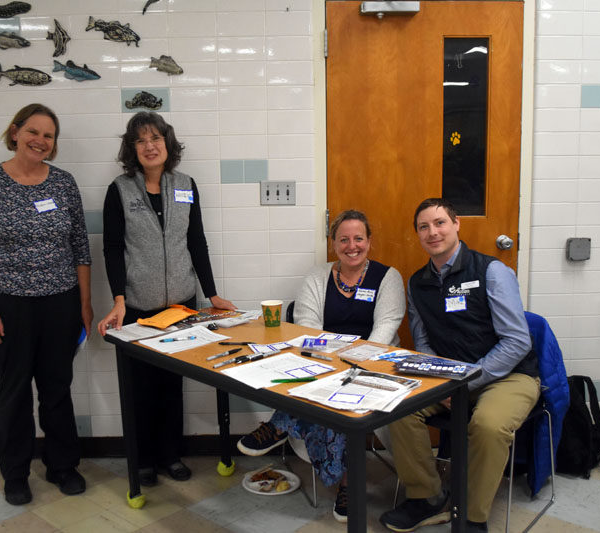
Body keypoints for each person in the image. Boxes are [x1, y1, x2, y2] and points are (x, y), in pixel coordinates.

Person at [379, 198, 540, 533]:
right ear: (418, 235)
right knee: (399, 407)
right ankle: (428, 498)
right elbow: (423, 344)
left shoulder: (491, 271)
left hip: (508, 377)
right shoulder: (417, 283)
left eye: (439, 223)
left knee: (489, 425)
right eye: (423, 227)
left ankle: (471, 515)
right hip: (450, 377)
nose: (432, 232)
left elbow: (517, 341)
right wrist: (442, 382)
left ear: (456, 225)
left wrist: (467, 383)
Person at [236, 210, 405, 523]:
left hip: (372, 367)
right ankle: (347, 484)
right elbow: (307, 330)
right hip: (325, 365)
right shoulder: (317, 277)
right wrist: (333, 364)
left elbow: (385, 331)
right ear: (333, 243)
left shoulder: (388, 277)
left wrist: (348, 363)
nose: (351, 245)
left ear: (369, 241)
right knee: (329, 396)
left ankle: (282, 424)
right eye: (343, 239)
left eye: (358, 238)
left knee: (339, 398)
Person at [0, 103, 93, 505]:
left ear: (54, 145)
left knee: (57, 387)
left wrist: (84, 306)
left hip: (60, 302)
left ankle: (62, 466)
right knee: (14, 390)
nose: (40, 140)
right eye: (33, 131)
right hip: (7, 305)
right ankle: (15, 474)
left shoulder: (64, 184)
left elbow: (81, 249)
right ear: (15, 132)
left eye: (48, 135)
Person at [98, 111, 235, 486]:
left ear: (167, 143)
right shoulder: (120, 189)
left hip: (180, 307)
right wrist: (119, 298)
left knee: (171, 386)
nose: (149, 145)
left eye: (156, 138)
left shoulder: (185, 184)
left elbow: (196, 241)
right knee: (141, 388)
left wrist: (212, 293)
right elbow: (111, 249)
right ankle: (143, 460)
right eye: (141, 140)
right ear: (133, 148)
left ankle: (170, 454)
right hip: (138, 308)